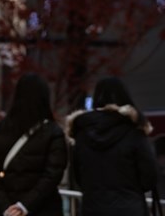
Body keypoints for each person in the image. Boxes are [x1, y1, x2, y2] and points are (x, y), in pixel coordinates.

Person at [65, 77, 158, 216]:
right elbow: (149, 176)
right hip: (129, 208)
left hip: (93, 207)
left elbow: (77, 176)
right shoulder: (133, 131)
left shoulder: (82, 132)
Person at [0, 73, 68, 216]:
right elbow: (52, 175)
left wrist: (6, 207)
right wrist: (24, 206)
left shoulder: (0, 130)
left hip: (6, 210)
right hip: (43, 209)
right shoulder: (53, 132)